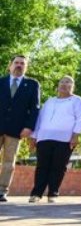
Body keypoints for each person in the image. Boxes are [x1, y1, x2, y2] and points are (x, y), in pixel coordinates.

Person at [28, 75, 81, 203]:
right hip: (44, 138)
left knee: (58, 167)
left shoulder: (77, 100)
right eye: (62, 82)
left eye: (68, 82)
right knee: (42, 166)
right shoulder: (49, 101)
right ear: (58, 85)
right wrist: (34, 136)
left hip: (64, 139)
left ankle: (53, 193)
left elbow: (80, 118)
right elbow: (40, 119)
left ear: (73, 86)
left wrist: (76, 135)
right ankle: (36, 193)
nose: (65, 84)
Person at [0, 55, 40, 203]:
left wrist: (29, 127)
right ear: (10, 65)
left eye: (22, 63)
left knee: (9, 161)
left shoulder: (32, 84)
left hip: (16, 129)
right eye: (16, 63)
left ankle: (2, 190)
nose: (19, 65)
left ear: (26, 67)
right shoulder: (1, 82)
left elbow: (35, 108)